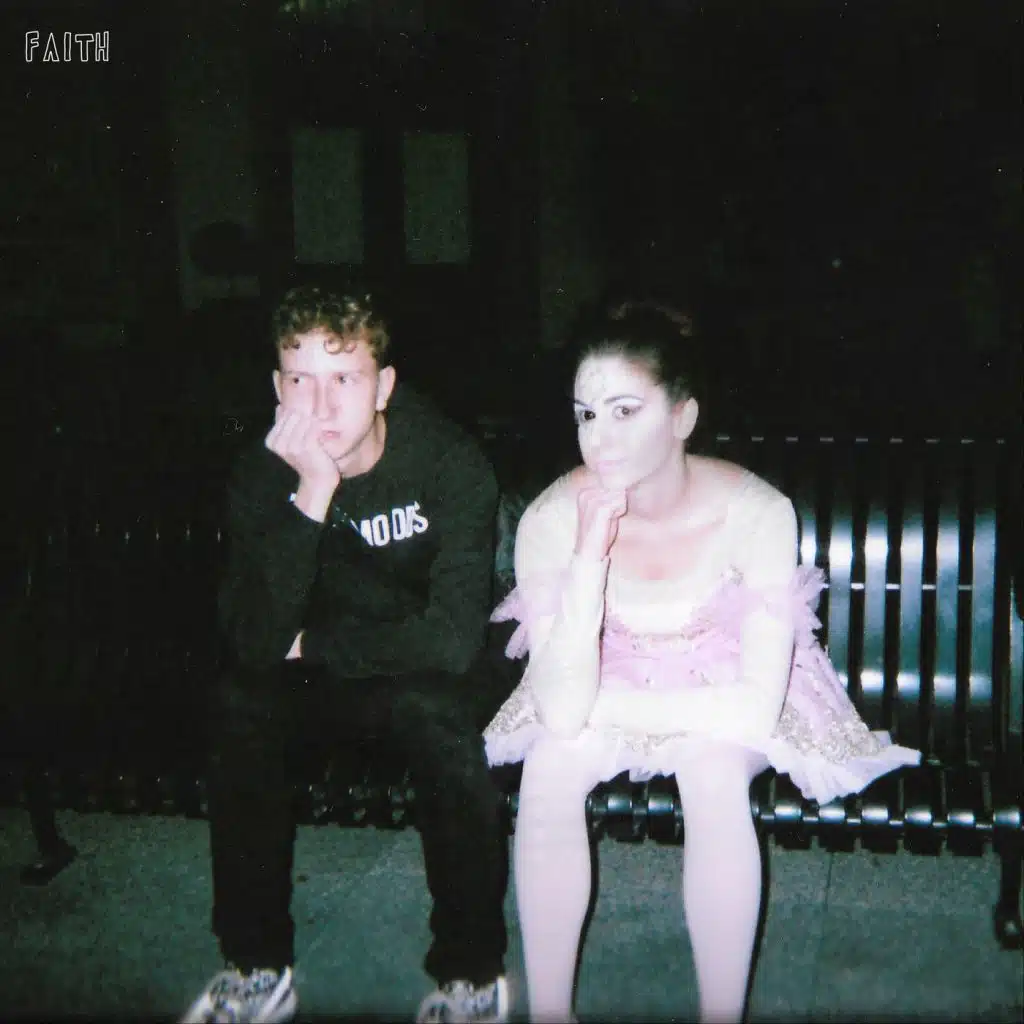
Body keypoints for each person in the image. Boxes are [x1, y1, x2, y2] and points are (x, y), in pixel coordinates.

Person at [484, 300, 921, 1023]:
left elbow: (752, 705)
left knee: (713, 771)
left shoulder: (758, 512)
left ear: (682, 417)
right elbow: (559, 710)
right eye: (586, 414)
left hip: (722, 678)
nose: (599, 438)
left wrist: (601, 706)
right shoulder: (552, 519)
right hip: (606, 672)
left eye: (625, 411)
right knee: (550, 768)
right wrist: (589, 558)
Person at [183, 284, 512, 1024]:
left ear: (383, 386)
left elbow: (452, 639)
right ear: (277, 388)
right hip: (321, 676)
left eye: (345, 379)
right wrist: (312, 490)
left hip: (419, 668)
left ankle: (470, 973)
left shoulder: (448, 462)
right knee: (239, 706)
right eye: (301, 380)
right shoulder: (262, 473)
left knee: (439, 718)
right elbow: (253, 642)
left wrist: (318, 644)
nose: (322, 405)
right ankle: (256, 965)